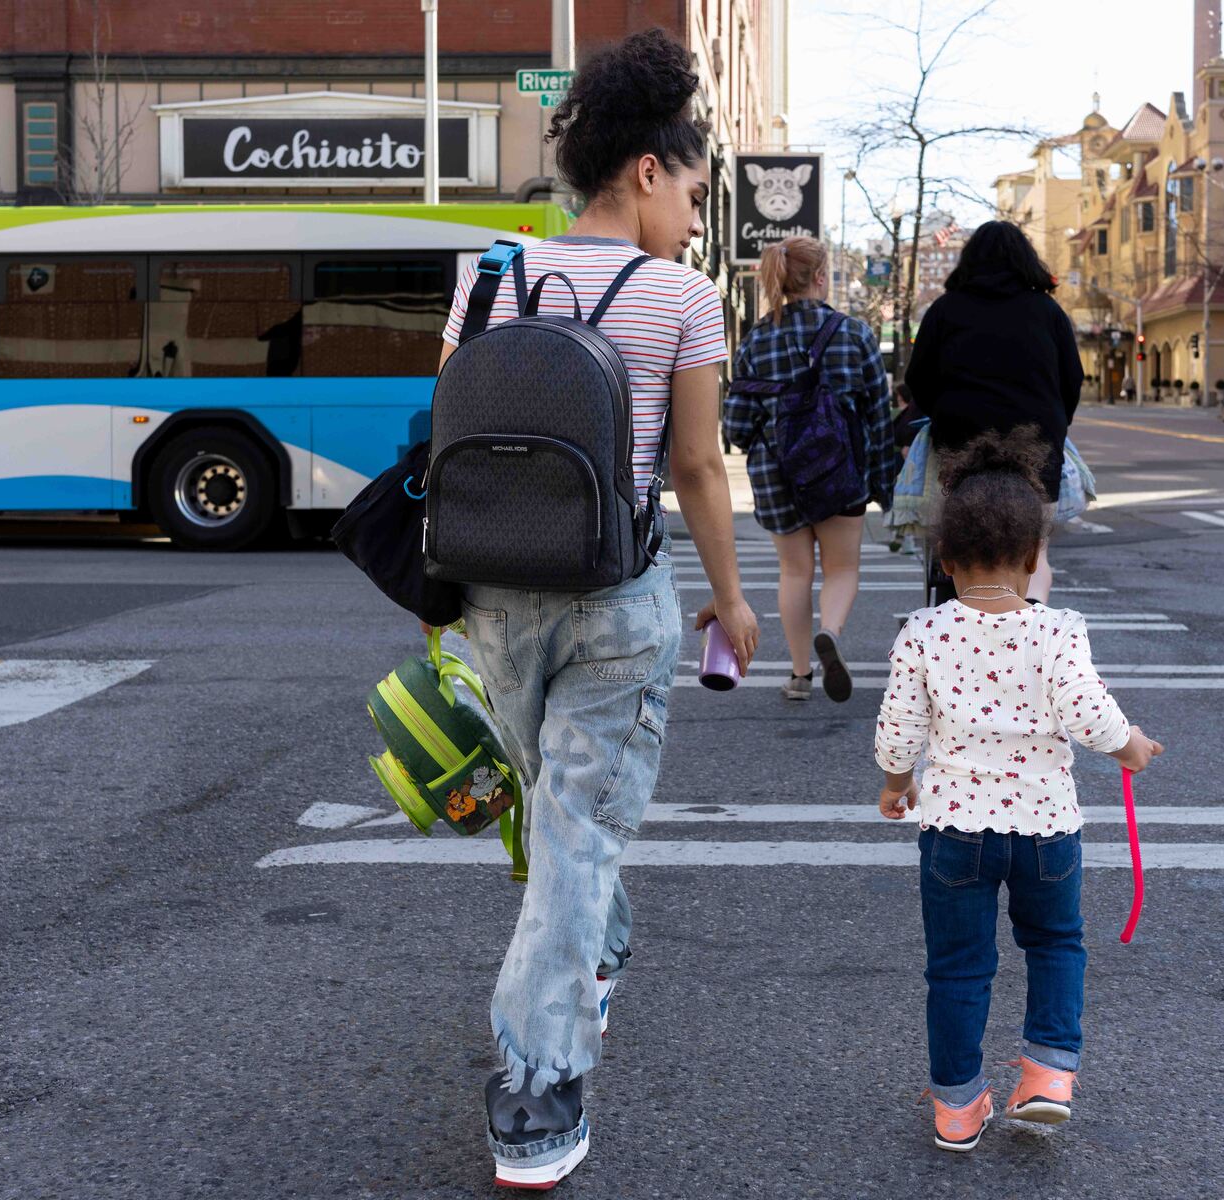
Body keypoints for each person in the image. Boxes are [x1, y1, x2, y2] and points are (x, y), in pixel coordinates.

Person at [431, 29, 759, 1190]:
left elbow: (454, 438)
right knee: (577, 832)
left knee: (559, 818)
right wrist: (729, 599)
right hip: (616, 594)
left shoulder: (489, 278)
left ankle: (589, 960)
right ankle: (537, 1082)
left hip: (492, 595)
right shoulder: (680, 295)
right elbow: (700, 467)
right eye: (697, 192)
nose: (698, 220)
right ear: (649, 171)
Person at [872, 429, 1164, 1153]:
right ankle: (1047, 1077)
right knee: (1057, 945)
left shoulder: (923, 632)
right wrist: (1131, 745)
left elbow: (898, 728)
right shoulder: (1059, 630)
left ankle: (959, 1107)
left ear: (942, 558)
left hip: (954, 832)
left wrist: (897, 781)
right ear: (1035, 559)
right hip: (1046, 831)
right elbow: (1088, 711)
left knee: (958, 968)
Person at [724, 236, 893, 703]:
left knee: (794, 572)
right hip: (841, 474)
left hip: (778, 477)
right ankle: (832, 633)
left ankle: (800, 676)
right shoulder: (855, 334)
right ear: (820, 277)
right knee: (841, 569)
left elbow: (736, 427)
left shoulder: (756, 339)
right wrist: (883, 483)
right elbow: (878, 418)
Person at [905, 220, 1083, 606]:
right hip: (1036, 449)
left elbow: (917, 377)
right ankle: (1031, 627)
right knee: (1035, 551)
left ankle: (966, 635)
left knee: (966, 552)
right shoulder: (1048, 312)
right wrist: (1053, 428)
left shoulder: (944, 310)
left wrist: (943, 417)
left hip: (962, 447)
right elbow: (1073, 380)